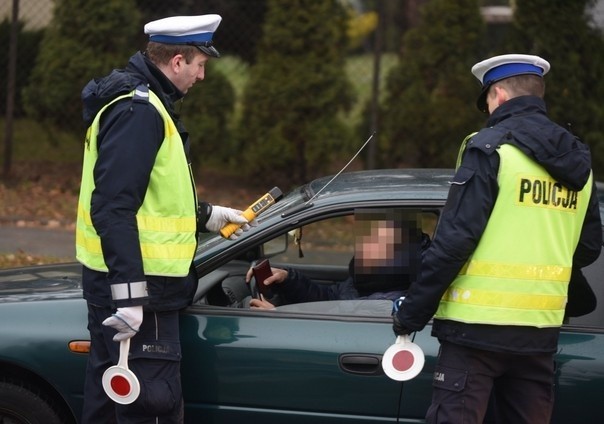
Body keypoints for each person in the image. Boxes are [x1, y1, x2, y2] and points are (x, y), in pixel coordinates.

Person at [392, 54, 602, 424]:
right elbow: (586, 247)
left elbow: (455, 241)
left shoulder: (490, 148)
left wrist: (411, 314)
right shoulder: (578, 161)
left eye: (487, 100)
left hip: (475, 332)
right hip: (539, 334)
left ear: (500, 95)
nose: (487, 110)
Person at [76, 15, 253, 423]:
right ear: (177, 62)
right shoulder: (141, 112)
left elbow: (148, 197)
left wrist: (208, 215)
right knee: (147, 410)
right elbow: (114, 207)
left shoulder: (142, 104)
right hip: (143, 296)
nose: (202, 76)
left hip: (122, 285)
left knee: (109, 407)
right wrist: (130, 296)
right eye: (200, 65)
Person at [247, 209, 428, 309]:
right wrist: (288, 278)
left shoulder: (386, 303)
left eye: (378, 241)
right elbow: (331, 298)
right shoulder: (375, 278)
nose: (365, 245)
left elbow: (329, 331)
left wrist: (277, 318)